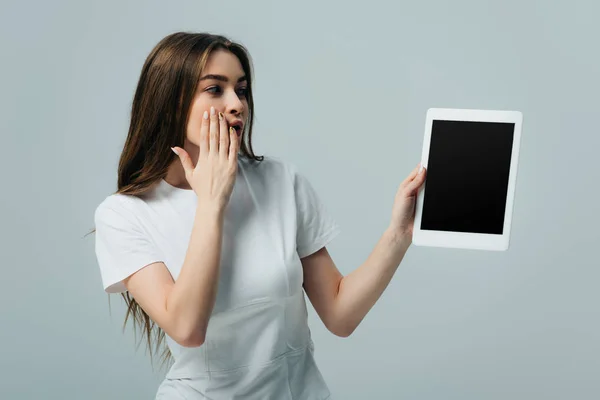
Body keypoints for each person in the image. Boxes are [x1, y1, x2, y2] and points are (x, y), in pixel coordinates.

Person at [93, 31, 427, 399]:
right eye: (215, 89)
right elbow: (186, 327)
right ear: (170, 103)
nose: (237, 104)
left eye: (242, 89)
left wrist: (399, 234)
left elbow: (340, 314)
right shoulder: (123, 215)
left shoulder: (281, 180)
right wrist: (211, 201)